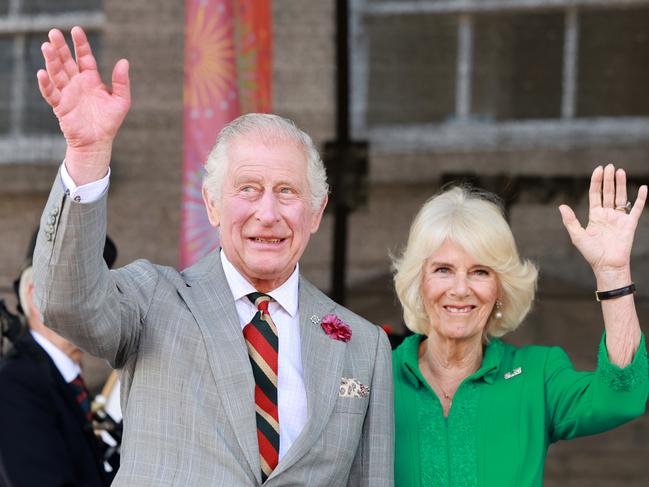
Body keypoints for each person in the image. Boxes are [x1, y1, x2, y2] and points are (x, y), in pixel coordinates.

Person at [32, 26, 393, 486]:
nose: (268, 213)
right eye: (248, 189)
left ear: (317, 210)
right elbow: (67, 301)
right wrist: (87, 155)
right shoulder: (151, 301)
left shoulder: (363, 346)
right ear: (211, 205)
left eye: (287, 192)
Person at [391, 166, 648, 486]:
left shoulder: (537, 375)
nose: (459, 289)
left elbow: (621, 397)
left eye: (480, 272)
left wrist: (613, 273)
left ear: (501, 289)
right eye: (443, 269)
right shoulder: (376, 376)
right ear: (420, 281)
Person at [0, 233, 117, 487]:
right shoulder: (13, 386)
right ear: (33, 295)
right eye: (75, 289)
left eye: (98, 290)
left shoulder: (64, 380)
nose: (91, 305)